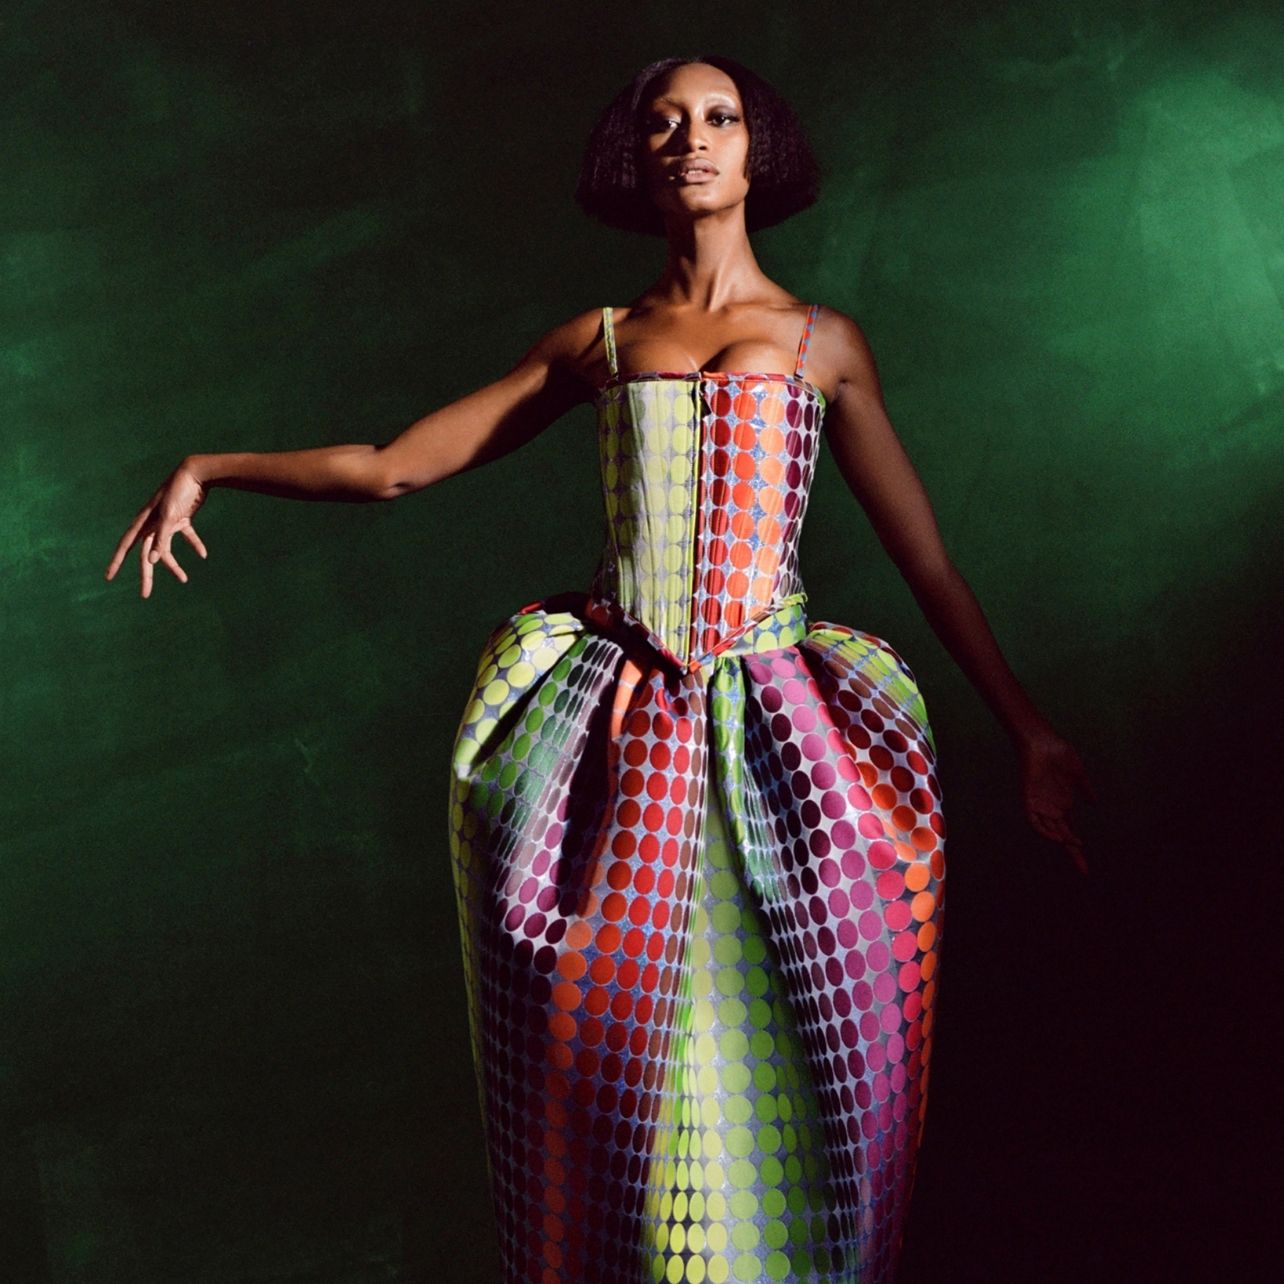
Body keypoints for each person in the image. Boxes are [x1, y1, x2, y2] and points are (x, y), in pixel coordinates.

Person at [106, 53, 1093, 1284]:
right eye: (665, 123)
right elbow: (395, 463)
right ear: (635, 161)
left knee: (813, 1084)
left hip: (782, 750)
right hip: (625, 752)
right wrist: (213, 463)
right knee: (629, 1091)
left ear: (758, 149)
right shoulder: (600, 340)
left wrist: (1030, 730)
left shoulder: (822, 343)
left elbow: (929, 562)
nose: (692, 139)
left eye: (719, 118)